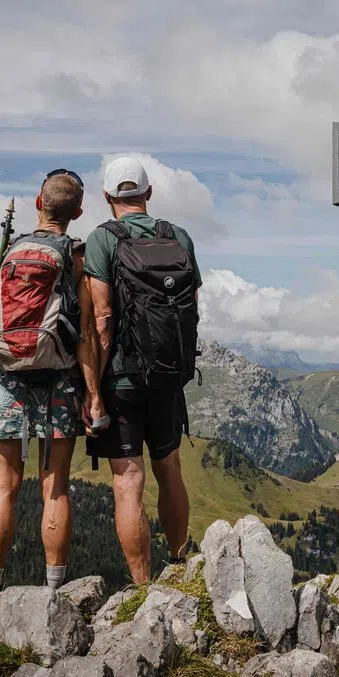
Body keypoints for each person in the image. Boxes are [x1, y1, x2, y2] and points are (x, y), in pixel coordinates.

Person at [0, 169, 105, 594]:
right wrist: (94, 394)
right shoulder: (76, 256)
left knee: (2, 488)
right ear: (78, 212)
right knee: (56, 487)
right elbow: (85, 333)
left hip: (5, 375)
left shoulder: (6, 252)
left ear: (37, 202)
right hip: (59, 380)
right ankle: (54, 590)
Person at [84, 156, 201, 583]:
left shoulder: (102, 240)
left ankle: (143, 587)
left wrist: (93, 391)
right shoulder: (179, 237)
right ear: (148, 194)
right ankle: (180, 565)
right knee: (169, 467)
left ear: (107, 197)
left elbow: (101, 319)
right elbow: (191, 307)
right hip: (169, 374)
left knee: (128, 481)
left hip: (123, 377)